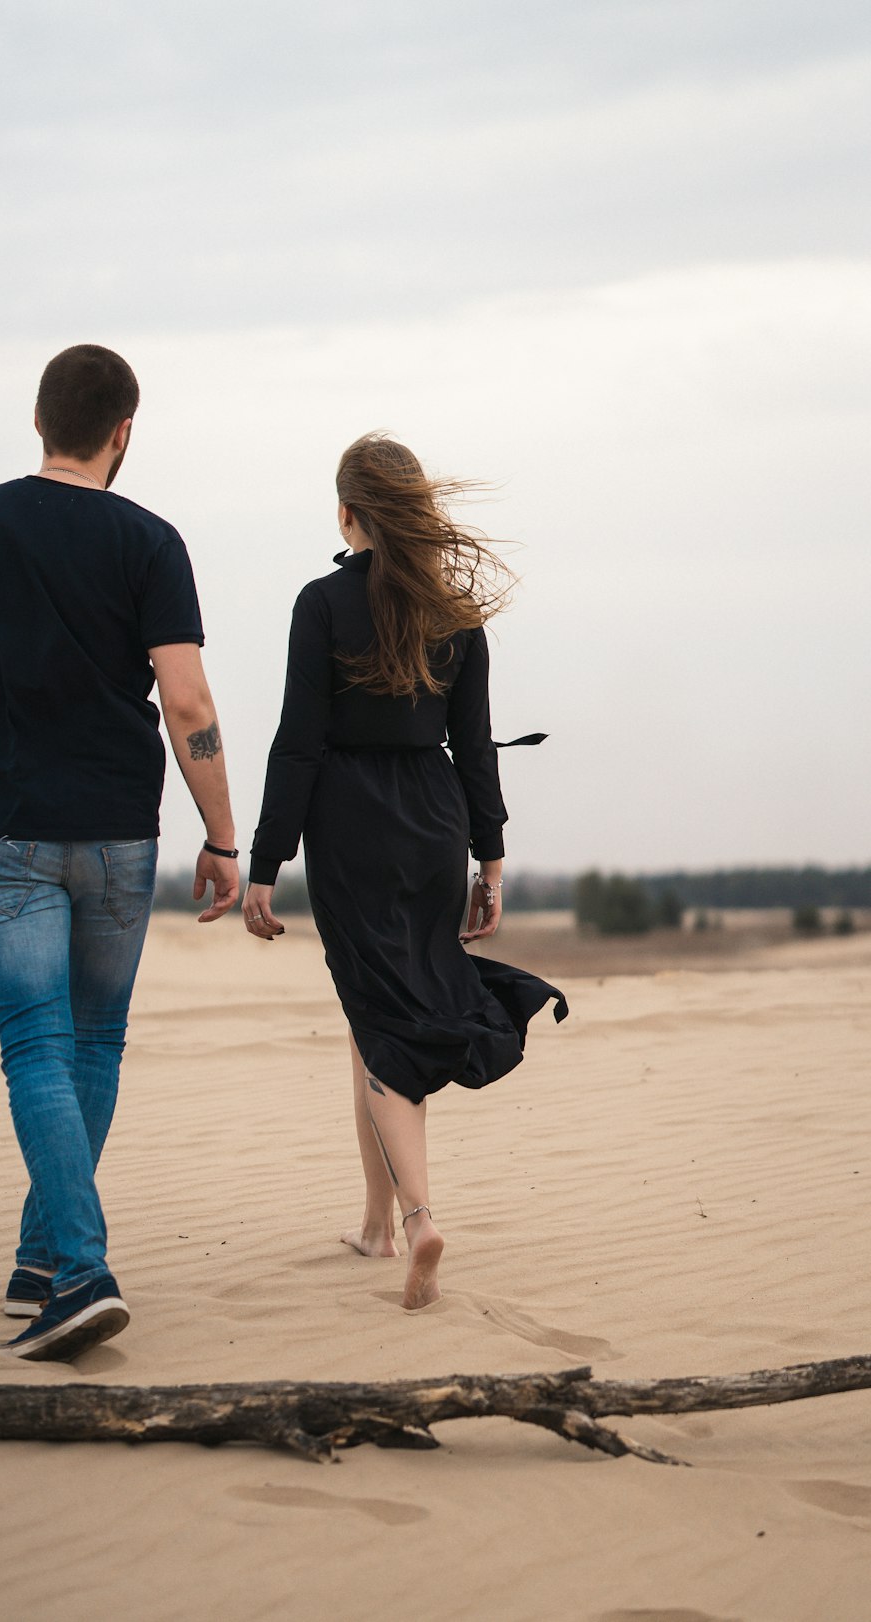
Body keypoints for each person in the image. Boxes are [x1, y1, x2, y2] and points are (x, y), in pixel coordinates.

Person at [0, 344, 239, 1360]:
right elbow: (188, 700)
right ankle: (41, 1258)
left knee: (37, 1045)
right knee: (93, 1043)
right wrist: (223, 834)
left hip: (5, 833)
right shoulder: (153, 541)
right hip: (119, 837)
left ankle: (78, 1268)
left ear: (39, 422)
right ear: (124, 432)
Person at [244, 433, 566, 1310]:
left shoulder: (320, 605)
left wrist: (265, 862)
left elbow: (297, 745)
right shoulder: (456, 617)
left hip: (349, 827)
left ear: (349, 512)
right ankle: (376, 1226)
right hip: (433, 824)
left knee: (378, 1019)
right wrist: (490, 859)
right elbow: (475, 748)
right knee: (372, 1014)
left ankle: (420, 1219)